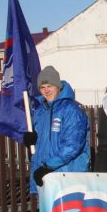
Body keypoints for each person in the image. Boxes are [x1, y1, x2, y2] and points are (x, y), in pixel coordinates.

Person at [23, 66, 90, 194]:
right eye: (42, 87)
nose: (46, 91)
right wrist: (30, 143)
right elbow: (39, 149)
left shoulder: (71, 110)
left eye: (50, 86)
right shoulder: (40, 112)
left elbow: (72, 146)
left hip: (67, 179)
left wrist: (47, 167)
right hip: (45, 179)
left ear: (58, 86)